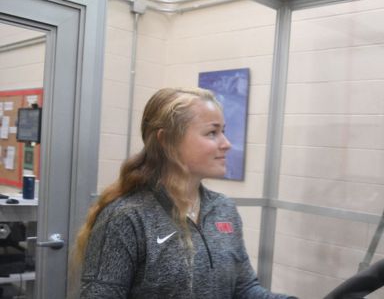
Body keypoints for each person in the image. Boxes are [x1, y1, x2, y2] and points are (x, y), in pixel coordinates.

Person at [72, 88, 294, 299]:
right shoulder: (127, 218)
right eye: (212, 133)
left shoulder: (224, 209)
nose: (226, 144)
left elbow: (244, 290)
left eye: (223, 132)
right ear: (167, 140)